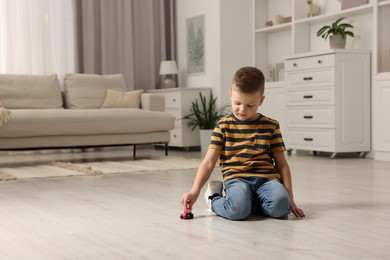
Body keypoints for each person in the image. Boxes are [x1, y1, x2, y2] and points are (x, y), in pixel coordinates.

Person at [181, 66, 305, 220]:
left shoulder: (271, 126)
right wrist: (195, 191)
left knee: (281, 207)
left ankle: (247, 204)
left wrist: (290, 198)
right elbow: (208, 162)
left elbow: (282, 164)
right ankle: (214, 198)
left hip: (267, 180)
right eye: (237, 103)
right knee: (237, 211)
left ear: (261, 100)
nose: (242, 110)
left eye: (250, 105)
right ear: (230, 94)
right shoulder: (223, 126)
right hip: (237, 179)